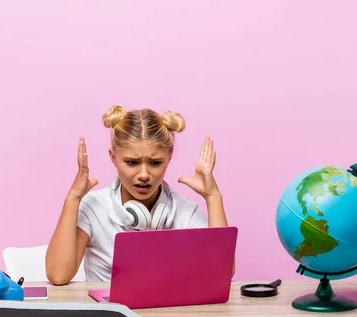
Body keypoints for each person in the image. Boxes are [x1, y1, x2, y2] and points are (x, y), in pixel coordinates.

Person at [45, 104, 232, 285]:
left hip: (166, 316)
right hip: (109, 316)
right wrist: (73, 199)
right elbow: (58, 275)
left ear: (169, 157)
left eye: (155, 162)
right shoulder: (94, 207)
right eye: (132, 162)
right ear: (113, 157)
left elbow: (221, 273)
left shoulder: (184, 211)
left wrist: (213, 197)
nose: (144, 175)